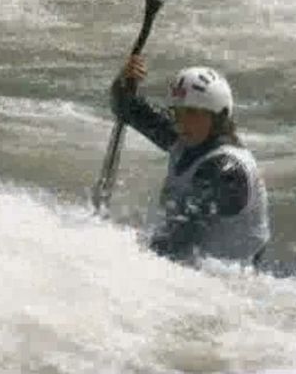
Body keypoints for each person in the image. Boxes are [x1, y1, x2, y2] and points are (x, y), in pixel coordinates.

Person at [110, 54, 270, 267]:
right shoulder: (188, 139)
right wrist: (123, 81)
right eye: (178, 113)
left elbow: (177, 243)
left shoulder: (224, 172)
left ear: (218, 117)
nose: (182, 121)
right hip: (194, 275)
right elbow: (126, 108)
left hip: (230, 287)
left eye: (193, 113)